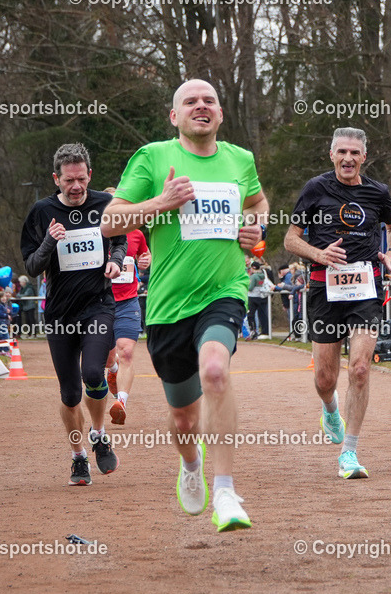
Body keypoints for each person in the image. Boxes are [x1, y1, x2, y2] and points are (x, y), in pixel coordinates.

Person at [102, 79, 268, 531]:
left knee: (215, 370)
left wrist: (256, 229)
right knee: (183, 420)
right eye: (190, 101)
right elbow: (110, 222)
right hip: (168, 307)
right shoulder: (153, 157)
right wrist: (163, 201)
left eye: (209, 100)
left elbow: (258, 203)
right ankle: (191, 464)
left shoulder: (240, 159)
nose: (201, 106)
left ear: (220, 114)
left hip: (224, 289)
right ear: (174, 116)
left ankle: (226, 491)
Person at [283, 126, 391, 479]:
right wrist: (318, 254)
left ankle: (349, 452)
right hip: (324, 289)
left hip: (365, 287)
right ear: (332, 155)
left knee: (360, 369)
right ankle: (330, 409)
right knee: (325, 378)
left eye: (354, 153)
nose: (348, 158)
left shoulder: (377, 192)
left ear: (364, 157)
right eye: (342, 152)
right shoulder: (315, 188)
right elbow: (290, 239)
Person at [21, 142, 126, 486]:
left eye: (81, 179)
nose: (76, 186)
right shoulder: (41, 211)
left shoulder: (106, 203)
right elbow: (32, 266)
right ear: (57, 179)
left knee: (93, 373)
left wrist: (116, 260)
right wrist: (49, 241)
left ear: (89, 175)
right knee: (69, 395)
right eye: (69, 181)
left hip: (98, 306)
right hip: (60, 314)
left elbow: (120, 240)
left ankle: (99, 434)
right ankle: (78, 457)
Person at [105, 226, 151, 425]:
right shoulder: (96, 233)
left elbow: (145, 255)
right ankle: (113, 368)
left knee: (127, 351)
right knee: (107, 359)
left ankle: (121, 402)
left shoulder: (136, 234)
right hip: (101, 303)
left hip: (128, 303)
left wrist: (146, 260)